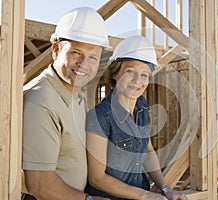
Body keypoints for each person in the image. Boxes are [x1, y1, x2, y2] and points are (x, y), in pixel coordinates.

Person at [22, 7, 110, 200]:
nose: (84, 63)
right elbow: (39, 185)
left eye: (93, 57)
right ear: (56, 50)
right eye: (76, 52)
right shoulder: (41, 101)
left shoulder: (76, 94)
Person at [85, 35, 188, 200]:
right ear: (115, 73)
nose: (137, 81)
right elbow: (96, 179)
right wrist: (146, 196)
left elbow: (148, 150)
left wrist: (166, 188)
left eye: (144, 75)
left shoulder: (141, 107)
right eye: (130, 72)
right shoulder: (99, 116)